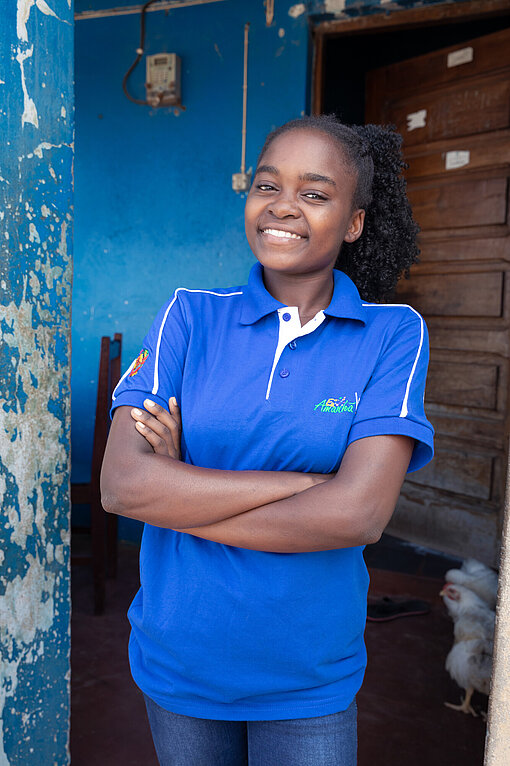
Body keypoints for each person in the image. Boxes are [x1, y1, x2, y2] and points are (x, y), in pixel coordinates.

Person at [101, 114, 434, 766]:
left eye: (315, 193)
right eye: (266, 185)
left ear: (355, 221)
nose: (283, 206)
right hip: (181, 660)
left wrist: (180, 490)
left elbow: (359, 514)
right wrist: (302, 487)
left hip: (308, 675)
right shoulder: (189, 315)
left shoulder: (392, 335)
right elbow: (122, 485)